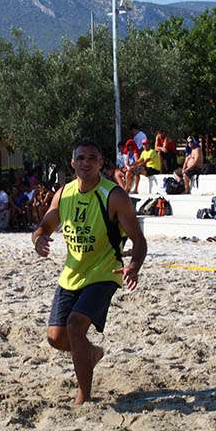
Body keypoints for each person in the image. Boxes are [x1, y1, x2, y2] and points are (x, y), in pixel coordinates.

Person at [32, 139, 147, 405]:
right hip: (72, 273)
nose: (86, 163)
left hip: (105, 272)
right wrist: (37, 238)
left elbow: (139, 240)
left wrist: (134, 265)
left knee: (74, 326)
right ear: (72, 163)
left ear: (101, 163)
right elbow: (45, 225)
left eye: (92, 158)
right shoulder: (64, 194)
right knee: (56, 338)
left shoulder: (114, 196)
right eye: (80, 158)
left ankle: (83, 396)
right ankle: (91, 354)